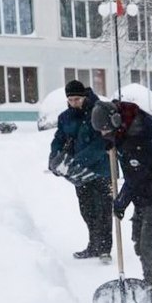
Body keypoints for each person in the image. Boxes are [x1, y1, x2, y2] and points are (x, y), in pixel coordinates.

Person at [91, 100, 152, 303]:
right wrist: (112, 140)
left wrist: (121, 201)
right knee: (139, 244)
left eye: (106, 130)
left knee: (150, 245)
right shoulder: (124, 125)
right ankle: (151, 285)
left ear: (116, 121)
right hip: (143, 194)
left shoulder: (139, 136)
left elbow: (136, 177)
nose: (104, 134)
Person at [48, 80, 112, 261]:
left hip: (102, 170)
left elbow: (102, 143)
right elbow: (59, 139)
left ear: (84, 96)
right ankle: (93, 246)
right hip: (78, 173)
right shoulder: (65, 117)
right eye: (70, 100)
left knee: (103, 211)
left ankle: (105, 249)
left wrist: (77, 161)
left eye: (77, 99)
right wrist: (53, 158)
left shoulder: (98, 112)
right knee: (87, 210)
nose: (74, 103)